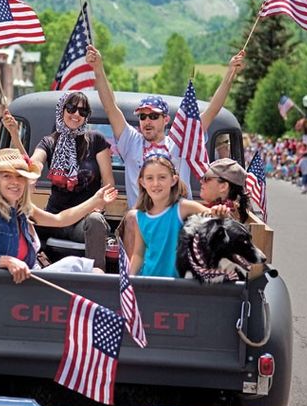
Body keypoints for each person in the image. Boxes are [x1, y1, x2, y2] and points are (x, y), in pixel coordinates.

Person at [86, 43, 244, 255]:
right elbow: (109, 107)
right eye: (142, 116)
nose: (147, 121)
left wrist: (230, 74)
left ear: (165, 119)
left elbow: (212, 110)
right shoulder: (131, 141)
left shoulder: (180, 140)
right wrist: (98, 68)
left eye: (153, 116)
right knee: (132, 225)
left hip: (176, 224)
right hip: (141, 223)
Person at [0, 148, 118, 282]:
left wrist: (95, 200)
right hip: (7, 285)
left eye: (20, 176)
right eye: (7, 176)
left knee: (87, 267)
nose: (15, 182)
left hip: (30, 276)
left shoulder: (21, 208)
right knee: (80, 267)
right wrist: (6, 261)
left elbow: (60, 219)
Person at [3, 91, 115, 271]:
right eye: (71, 108)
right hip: (53, 218)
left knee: (95, 220)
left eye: (83, 111)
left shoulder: (96, 141)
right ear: (61, 110)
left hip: (84, 218)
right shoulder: (49, 141)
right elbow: (32, 166)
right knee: (23, 217)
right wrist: (15, 135)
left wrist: (99, 206)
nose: (76, 114)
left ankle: (98, 275)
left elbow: (109, 184)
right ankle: (28, 270)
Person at [130, 153, 228, 277]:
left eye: (162, 177)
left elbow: (214, 216)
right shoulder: (140, 216)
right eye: (149, 178)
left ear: (173, 180)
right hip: (149, 282)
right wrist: (130, 279)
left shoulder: (183, 207)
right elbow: (138, 253)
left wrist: (220, 211)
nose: (156, 183)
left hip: (179, 286)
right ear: (142, 182)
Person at [199, 158, 250, 223]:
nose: (201, 181)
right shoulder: (230, 210)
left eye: (206, 178)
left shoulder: (222, 214)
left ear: (223, 186)